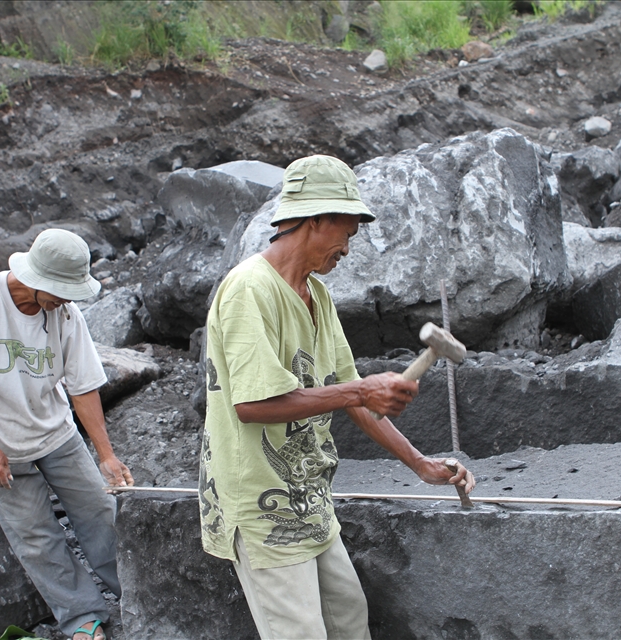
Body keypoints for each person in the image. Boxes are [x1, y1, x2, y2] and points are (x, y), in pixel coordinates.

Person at [199, 155, 476, 639]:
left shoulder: (317, 295)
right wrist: (363, 388)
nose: (347, 248)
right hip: (262, 503)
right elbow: (252, 406)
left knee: (348, 617)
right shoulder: (250, 289)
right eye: (344, 233)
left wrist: (420, 464)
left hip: (310, 497)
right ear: (314, 219)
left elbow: (352, 398)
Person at [0, 228, 134, 640]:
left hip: (56, 433)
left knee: (101, 515)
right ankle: (83, 618)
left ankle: (137, 596)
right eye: (60, 290)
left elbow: (82, 386)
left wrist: (105, 454)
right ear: (34, 277)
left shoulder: (66, 315)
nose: (66, 299)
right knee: (35, 536)